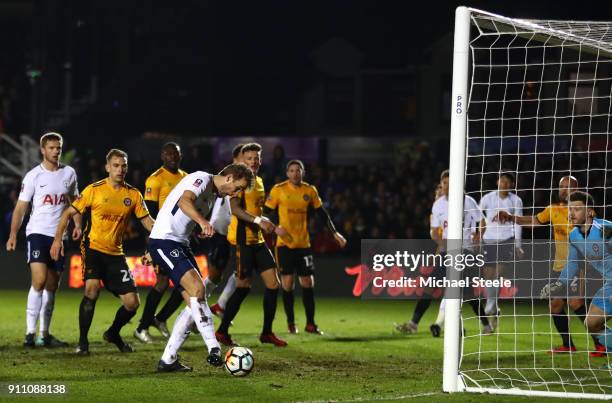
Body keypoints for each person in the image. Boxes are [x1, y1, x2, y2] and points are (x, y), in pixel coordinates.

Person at [147, 164, 253, 372]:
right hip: (164, 241)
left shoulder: (215, 196)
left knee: (194, 302)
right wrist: (203, 221)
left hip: (180, 243)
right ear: (229, 178)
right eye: (238, 187)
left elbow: (183, 215)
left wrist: (198, 230)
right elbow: (184, 201)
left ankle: (168, 359)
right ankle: (213, 348)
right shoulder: (201, 178)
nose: (237, 193)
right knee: (198, 289)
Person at [51, 149, 155, 355]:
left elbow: (150, 223)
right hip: (93, 248)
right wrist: (57, 241)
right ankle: (83, 343)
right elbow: (67, 213)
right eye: (116, 165)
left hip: (116, 254)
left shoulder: (133, 194)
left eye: (124, 165)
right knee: (91, 290)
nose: (120, 169)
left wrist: (166, 237)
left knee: (132, 303)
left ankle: (113, 333)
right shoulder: (94, 190)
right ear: (107, 167)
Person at [499, 176, 605, 356]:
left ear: (577, 189)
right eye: (561, 187)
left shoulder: (586, 212)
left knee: (575, 301)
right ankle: (568, 345)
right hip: (559, 266)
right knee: (555, 305)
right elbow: (533, 221)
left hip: (579, 266)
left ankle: (602, 344)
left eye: (568, 187)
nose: (564, 190)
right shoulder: (553, 210)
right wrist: (511, 218)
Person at [5, 132, 80, 347]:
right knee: (38, 280)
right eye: (52, 148)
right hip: (37, 233)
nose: (56, 151)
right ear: (43, 150)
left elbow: (75, 202)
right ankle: (30, 334)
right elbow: (21, 208)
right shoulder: (33, 176)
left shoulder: (69, 173)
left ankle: (44, 334)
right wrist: (12, 234)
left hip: (60, 236)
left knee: (52, 285)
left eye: (58, 147)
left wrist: (78, 224)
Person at [395, 170, 491, 335]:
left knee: (454, 289)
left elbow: (482, 220)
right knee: (444, 289)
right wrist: (440, 241)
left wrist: (478, 234)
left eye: (448, 183)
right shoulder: (438, 204)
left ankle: (439, 325)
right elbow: (433, 231)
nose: (445, 186)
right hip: (447, 252)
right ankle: (484, 325)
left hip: (464, 251)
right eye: (444, 183)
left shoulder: (468, 202)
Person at [214, 142, 288, 347]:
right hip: (242, 242)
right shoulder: (239, 182)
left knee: (274, 285)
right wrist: (258, 221)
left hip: (258, 241)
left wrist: (268, 223)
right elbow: (235, 209)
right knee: (243, 287)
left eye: (257, 158)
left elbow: (256, 211)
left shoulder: (261, 181)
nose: (254, 161)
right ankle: (222, 331)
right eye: (250, 158)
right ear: (242, 161)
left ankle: (266, 333)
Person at [263, 159, 346, 334]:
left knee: (308, 282)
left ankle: (310, 324)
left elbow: (322, 214)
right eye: (292, 170)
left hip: (303, 244)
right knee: (287, 283)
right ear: (287, 173)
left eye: (298, 170)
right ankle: (291, 323)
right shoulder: (278, 190)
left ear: (303, 173)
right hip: (284, 245)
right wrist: (275, 228)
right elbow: (266, 214)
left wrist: (335, 233)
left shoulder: (310, 190)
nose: (295, 173)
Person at [540, 191, 612, 360]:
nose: (571, 213)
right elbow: (572, 263)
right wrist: (559, 284)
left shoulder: (605, 228)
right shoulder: (574, 235)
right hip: (609, 284)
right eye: (570, 209)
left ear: (589, 212)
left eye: (577, 209)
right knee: (592, 324)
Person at [134, 142, 188, 343]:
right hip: (163, 238)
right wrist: (151, 245)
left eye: (177, 153)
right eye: (170, 154)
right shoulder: (155, 179)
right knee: (165, 282)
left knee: (181, 281)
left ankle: (158, 320)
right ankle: (143, 327)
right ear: (163, 156)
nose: (173, 157)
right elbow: (148, 214)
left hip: (181, 238)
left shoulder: (185, 177)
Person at [479, 172, 524, 328]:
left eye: (507, 182)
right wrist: (479, 236)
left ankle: (490, 306)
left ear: (511, 184)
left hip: (506, 240)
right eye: (501, 180)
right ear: (497, 182)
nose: (503, 184)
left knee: (498, 274)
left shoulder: (516, 200)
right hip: (489, 240)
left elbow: (518, 223)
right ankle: (494, 307)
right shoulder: (487, 198)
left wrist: (518, 245)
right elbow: (479, 217)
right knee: (488, 275)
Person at [208, 143, 244, 316]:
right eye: (246, 157)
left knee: (242, 271)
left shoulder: (248, 180)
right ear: (236, 159)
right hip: (220, 232)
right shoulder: (230, 176)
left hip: (235, 233)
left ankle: (220, 306)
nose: (251, 161)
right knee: (214, 277)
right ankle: (194, 314)